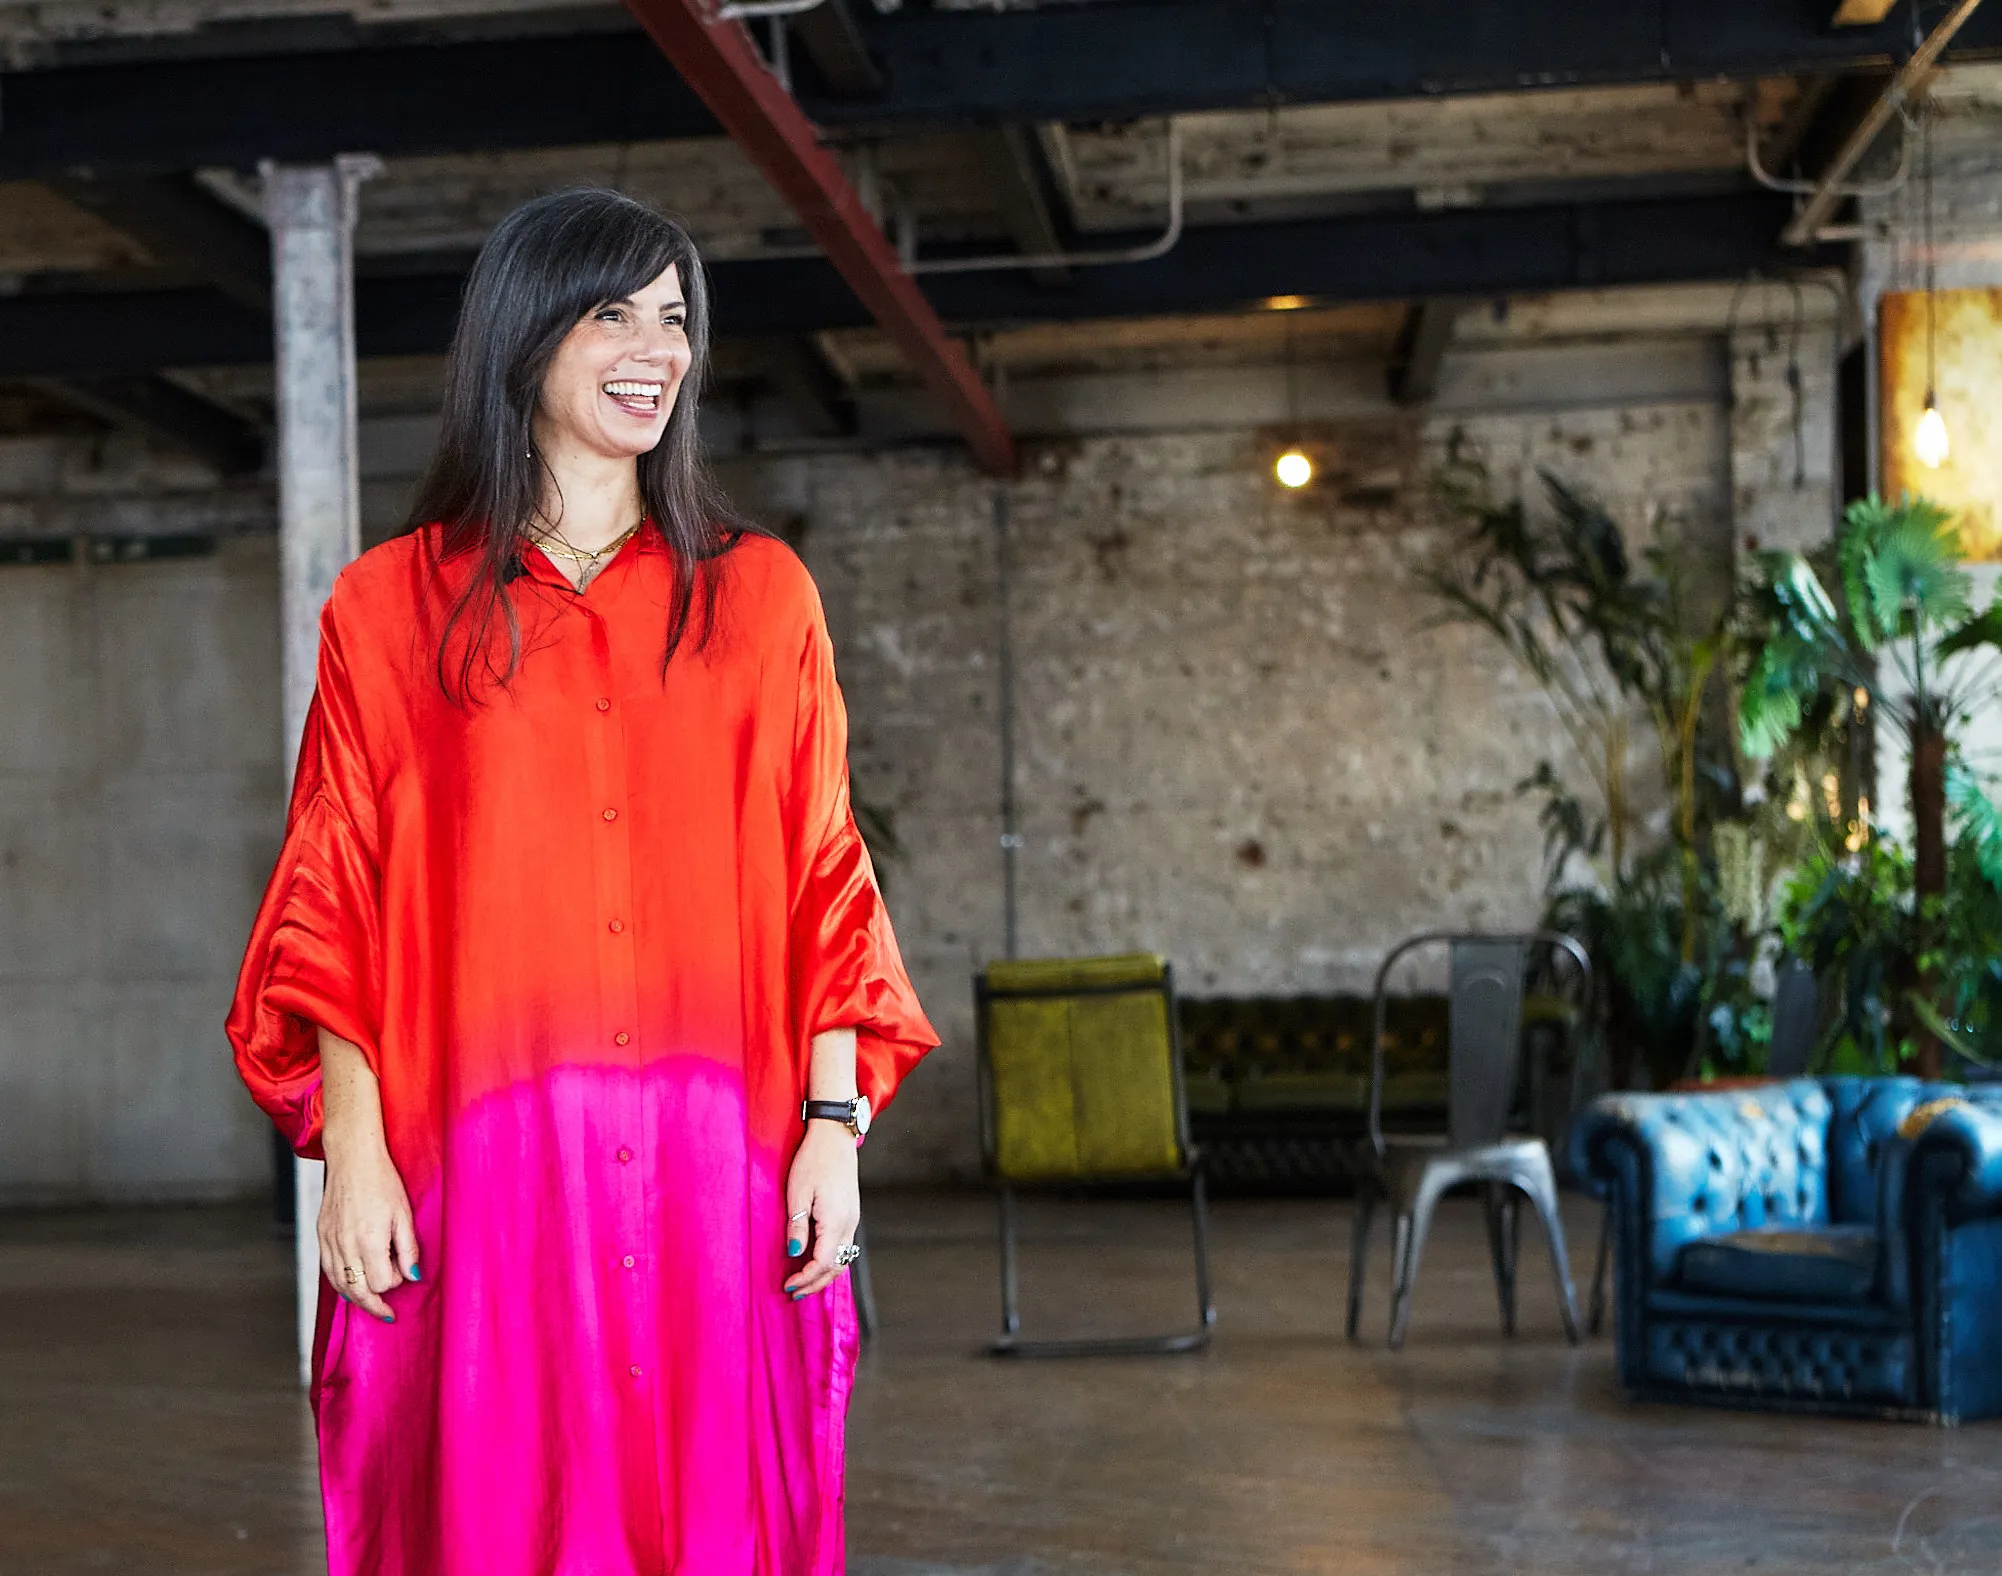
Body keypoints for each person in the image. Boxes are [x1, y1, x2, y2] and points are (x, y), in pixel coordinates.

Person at [226, 187, 938, 1576]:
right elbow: (336, 894)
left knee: (717, 1505)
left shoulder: (764, 599)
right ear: (524, 331)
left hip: (716, 1164)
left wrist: (834, 1127)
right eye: (613, 312)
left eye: (674, 320)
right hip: (486, 1170)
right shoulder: (383, 611)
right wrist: (352, 1160)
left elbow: (823, 871)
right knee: (492, 1505)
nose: (653, 349)